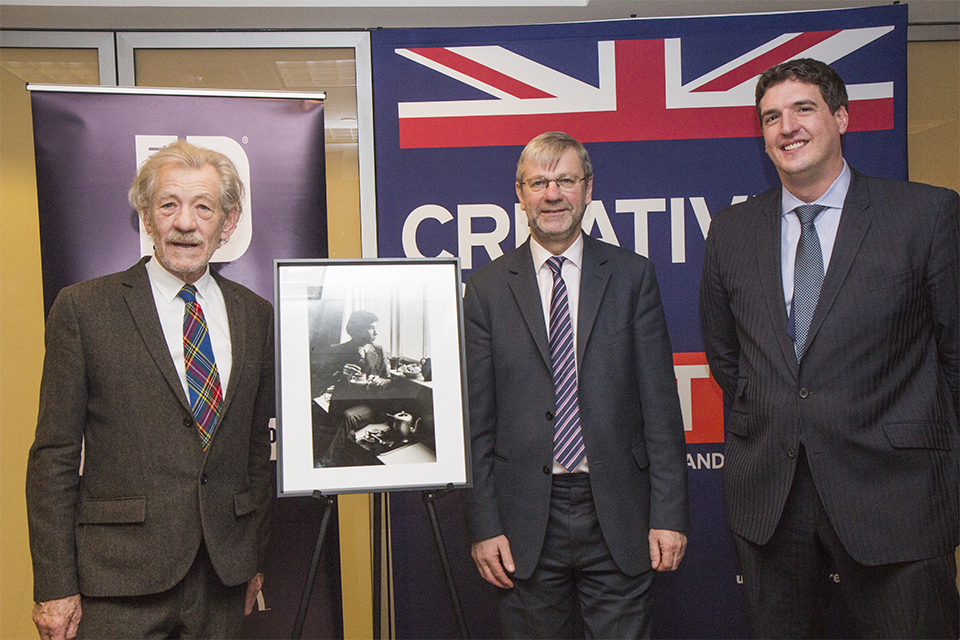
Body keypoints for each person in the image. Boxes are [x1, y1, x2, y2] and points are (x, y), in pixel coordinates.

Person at [699, 58, 959, 638]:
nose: (786, 126)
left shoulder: (925, 215)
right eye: (770, 117)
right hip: (773, 498)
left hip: (897, 495)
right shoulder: (732, 230)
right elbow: (728, 356)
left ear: (841, 117)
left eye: (803, 109)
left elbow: (954, 353)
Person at [26, 140, 275, 639]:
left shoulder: (255, 315)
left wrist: (249, 558)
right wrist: (55, 585)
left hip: (222, 582)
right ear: (146, 216)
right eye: (168, 205)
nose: (186, 223)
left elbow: (255, 452)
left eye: (203, 207)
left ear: (228, 223)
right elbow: (53, 457)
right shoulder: (84, 310)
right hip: (118, 585)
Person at [462, 131, 690, 638]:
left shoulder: (633, 278)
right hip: (522, 519)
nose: (552, 194)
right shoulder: (485, 290)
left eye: (565, 180)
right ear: (519, 194)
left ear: (588, 189)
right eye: (539, 182)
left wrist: (669, 514)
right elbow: (475, 423)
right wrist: (484, 525)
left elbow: (660, 407)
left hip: (618, 511)